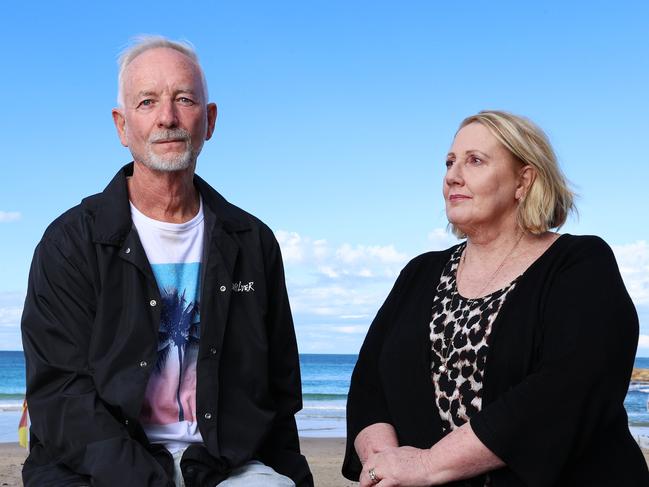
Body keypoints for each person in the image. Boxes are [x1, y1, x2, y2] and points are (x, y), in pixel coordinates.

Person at [21, 36, 313, 487]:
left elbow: (278, 391)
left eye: (184, 99)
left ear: (209, 120)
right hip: (95, 469)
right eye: (147, 101)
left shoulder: (254, 243)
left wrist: (293, 474)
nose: (167, 117)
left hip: (223, 466)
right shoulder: (70, 243)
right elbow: (61, 395)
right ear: (122, 126)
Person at [342, 110, 649, 486]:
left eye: (475, 161)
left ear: (524, 180)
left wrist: (428, 465)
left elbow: (567, 390)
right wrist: (383, 465)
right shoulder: (419, 272)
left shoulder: (580, 264)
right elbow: (369, 382)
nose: (452, 175)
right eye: (450, 162)